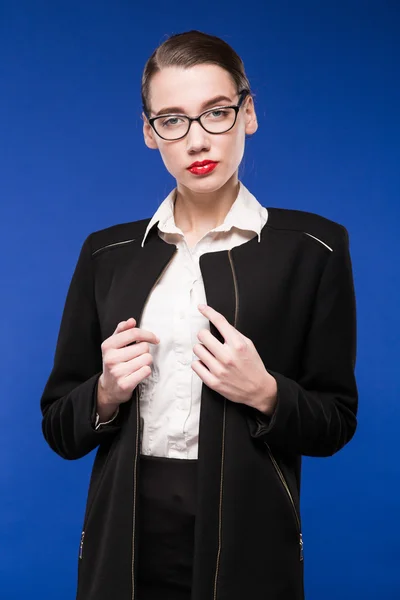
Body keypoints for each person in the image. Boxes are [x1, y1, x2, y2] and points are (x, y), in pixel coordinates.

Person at [40, 30, 358, 600]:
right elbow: (59, 429)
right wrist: (107, 391)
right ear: (149, 132)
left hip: (250, 535)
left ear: (248, 113)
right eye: (172, 119)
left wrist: (264, 391)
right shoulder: (106, 254)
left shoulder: (315, 248)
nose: (195, 140)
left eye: (215, 113)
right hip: (125, 535)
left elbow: (336, 421)